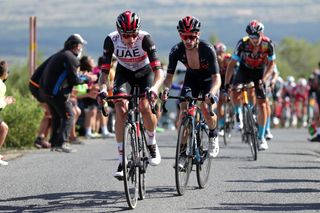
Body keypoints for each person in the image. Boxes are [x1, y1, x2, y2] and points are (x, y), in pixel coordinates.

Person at [97, 11, 164, 179]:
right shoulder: (111, 40)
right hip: (124, 72)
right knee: (120, 109)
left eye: (134, 34)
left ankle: (151, 142)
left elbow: (159, 72)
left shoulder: (145, 39)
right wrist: (103, 89)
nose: (131, 39)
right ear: (119, 32)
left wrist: (155, 89)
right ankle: (122, 160)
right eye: (126, 35)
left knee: (144, 106)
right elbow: (104, 73)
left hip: (145, 72)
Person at [162, 16, 221, 158]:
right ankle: (182, 152)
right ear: (180, 35)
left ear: (198, 35)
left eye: (191, 37)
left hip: (209, 81)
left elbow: (217, 78)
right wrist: (165, 90)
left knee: (206, 109)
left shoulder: (207, 49)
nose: (188, 40)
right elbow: (169, 77)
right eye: (184, 36)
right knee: (184, 114)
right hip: (192, 79)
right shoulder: (176, 50)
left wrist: (211, 93)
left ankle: (213, 135)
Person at [225, 20, 276, 150]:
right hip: (244, 70)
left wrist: (264, 79)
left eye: (256, 36)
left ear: (261, 33)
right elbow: (231, 65)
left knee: (263, 104)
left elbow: (271, 64)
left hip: (259, 72)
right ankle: (238, 115)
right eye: (251, 36)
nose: (254, 39)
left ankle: (261, 137)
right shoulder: (242, 43)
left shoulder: (268, 44)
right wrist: (227, 84)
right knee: (235, 91)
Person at [39, 34, 92, 153]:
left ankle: (54, 143)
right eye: (80, 45)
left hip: (47, 93)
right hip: (58, 94)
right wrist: (87, 79)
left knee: (57, 116)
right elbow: (74, 80)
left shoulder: (62, 55)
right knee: (69, 116)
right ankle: (62, 143)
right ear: (75, 46)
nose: (81, 48)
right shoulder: (71, 58)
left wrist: (82, 77)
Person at [214, 42, 232, 136]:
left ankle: (231, 113)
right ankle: (221, 125)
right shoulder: (213, 61)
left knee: (231, 96)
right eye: (218, 53)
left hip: (229, 80)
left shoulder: (228, 58)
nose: (220, 55)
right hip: (219, 81)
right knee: (220, 101)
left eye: (222, 53)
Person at [0, 60, 16, 165]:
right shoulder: (1, 85)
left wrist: (4, 98)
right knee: (4, 128)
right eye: (8, 72)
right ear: (5, 74)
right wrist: (6, 101)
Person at [308, 62, 320, 142]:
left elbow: (315, 86)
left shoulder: (317, 76)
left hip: (317, 98)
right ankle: (318, 134)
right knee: (316, 116)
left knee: (317, 116)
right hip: (316, 98)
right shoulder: (317, 76)